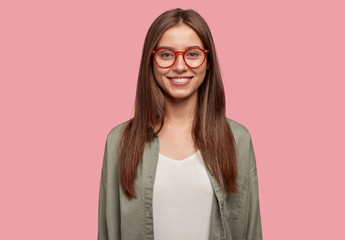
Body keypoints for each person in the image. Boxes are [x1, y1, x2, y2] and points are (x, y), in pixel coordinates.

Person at [98, 8, 263, 240]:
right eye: (166, 54)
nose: (180, 66)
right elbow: (108, 232)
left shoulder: (237, 139)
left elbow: (250, 231)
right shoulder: (119, 140)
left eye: (192, 54)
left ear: (208, 61)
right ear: (151, 61)